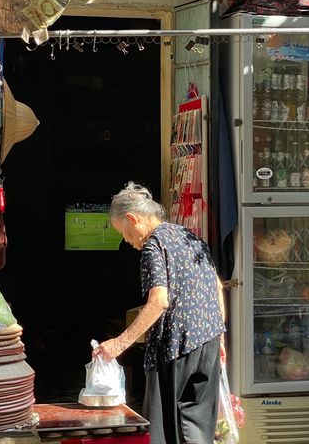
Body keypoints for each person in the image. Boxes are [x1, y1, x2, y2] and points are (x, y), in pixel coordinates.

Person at [94, 182, 226, 444]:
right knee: (197, 428)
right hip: (208, 342)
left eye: (124, 232)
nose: (127, 241)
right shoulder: (188, 236)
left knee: (164, 430)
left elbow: (158, 301)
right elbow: (217, 286)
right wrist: (219, 337)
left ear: (133, 219)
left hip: (176, 346)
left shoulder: (154, 245)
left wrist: (119, 344)